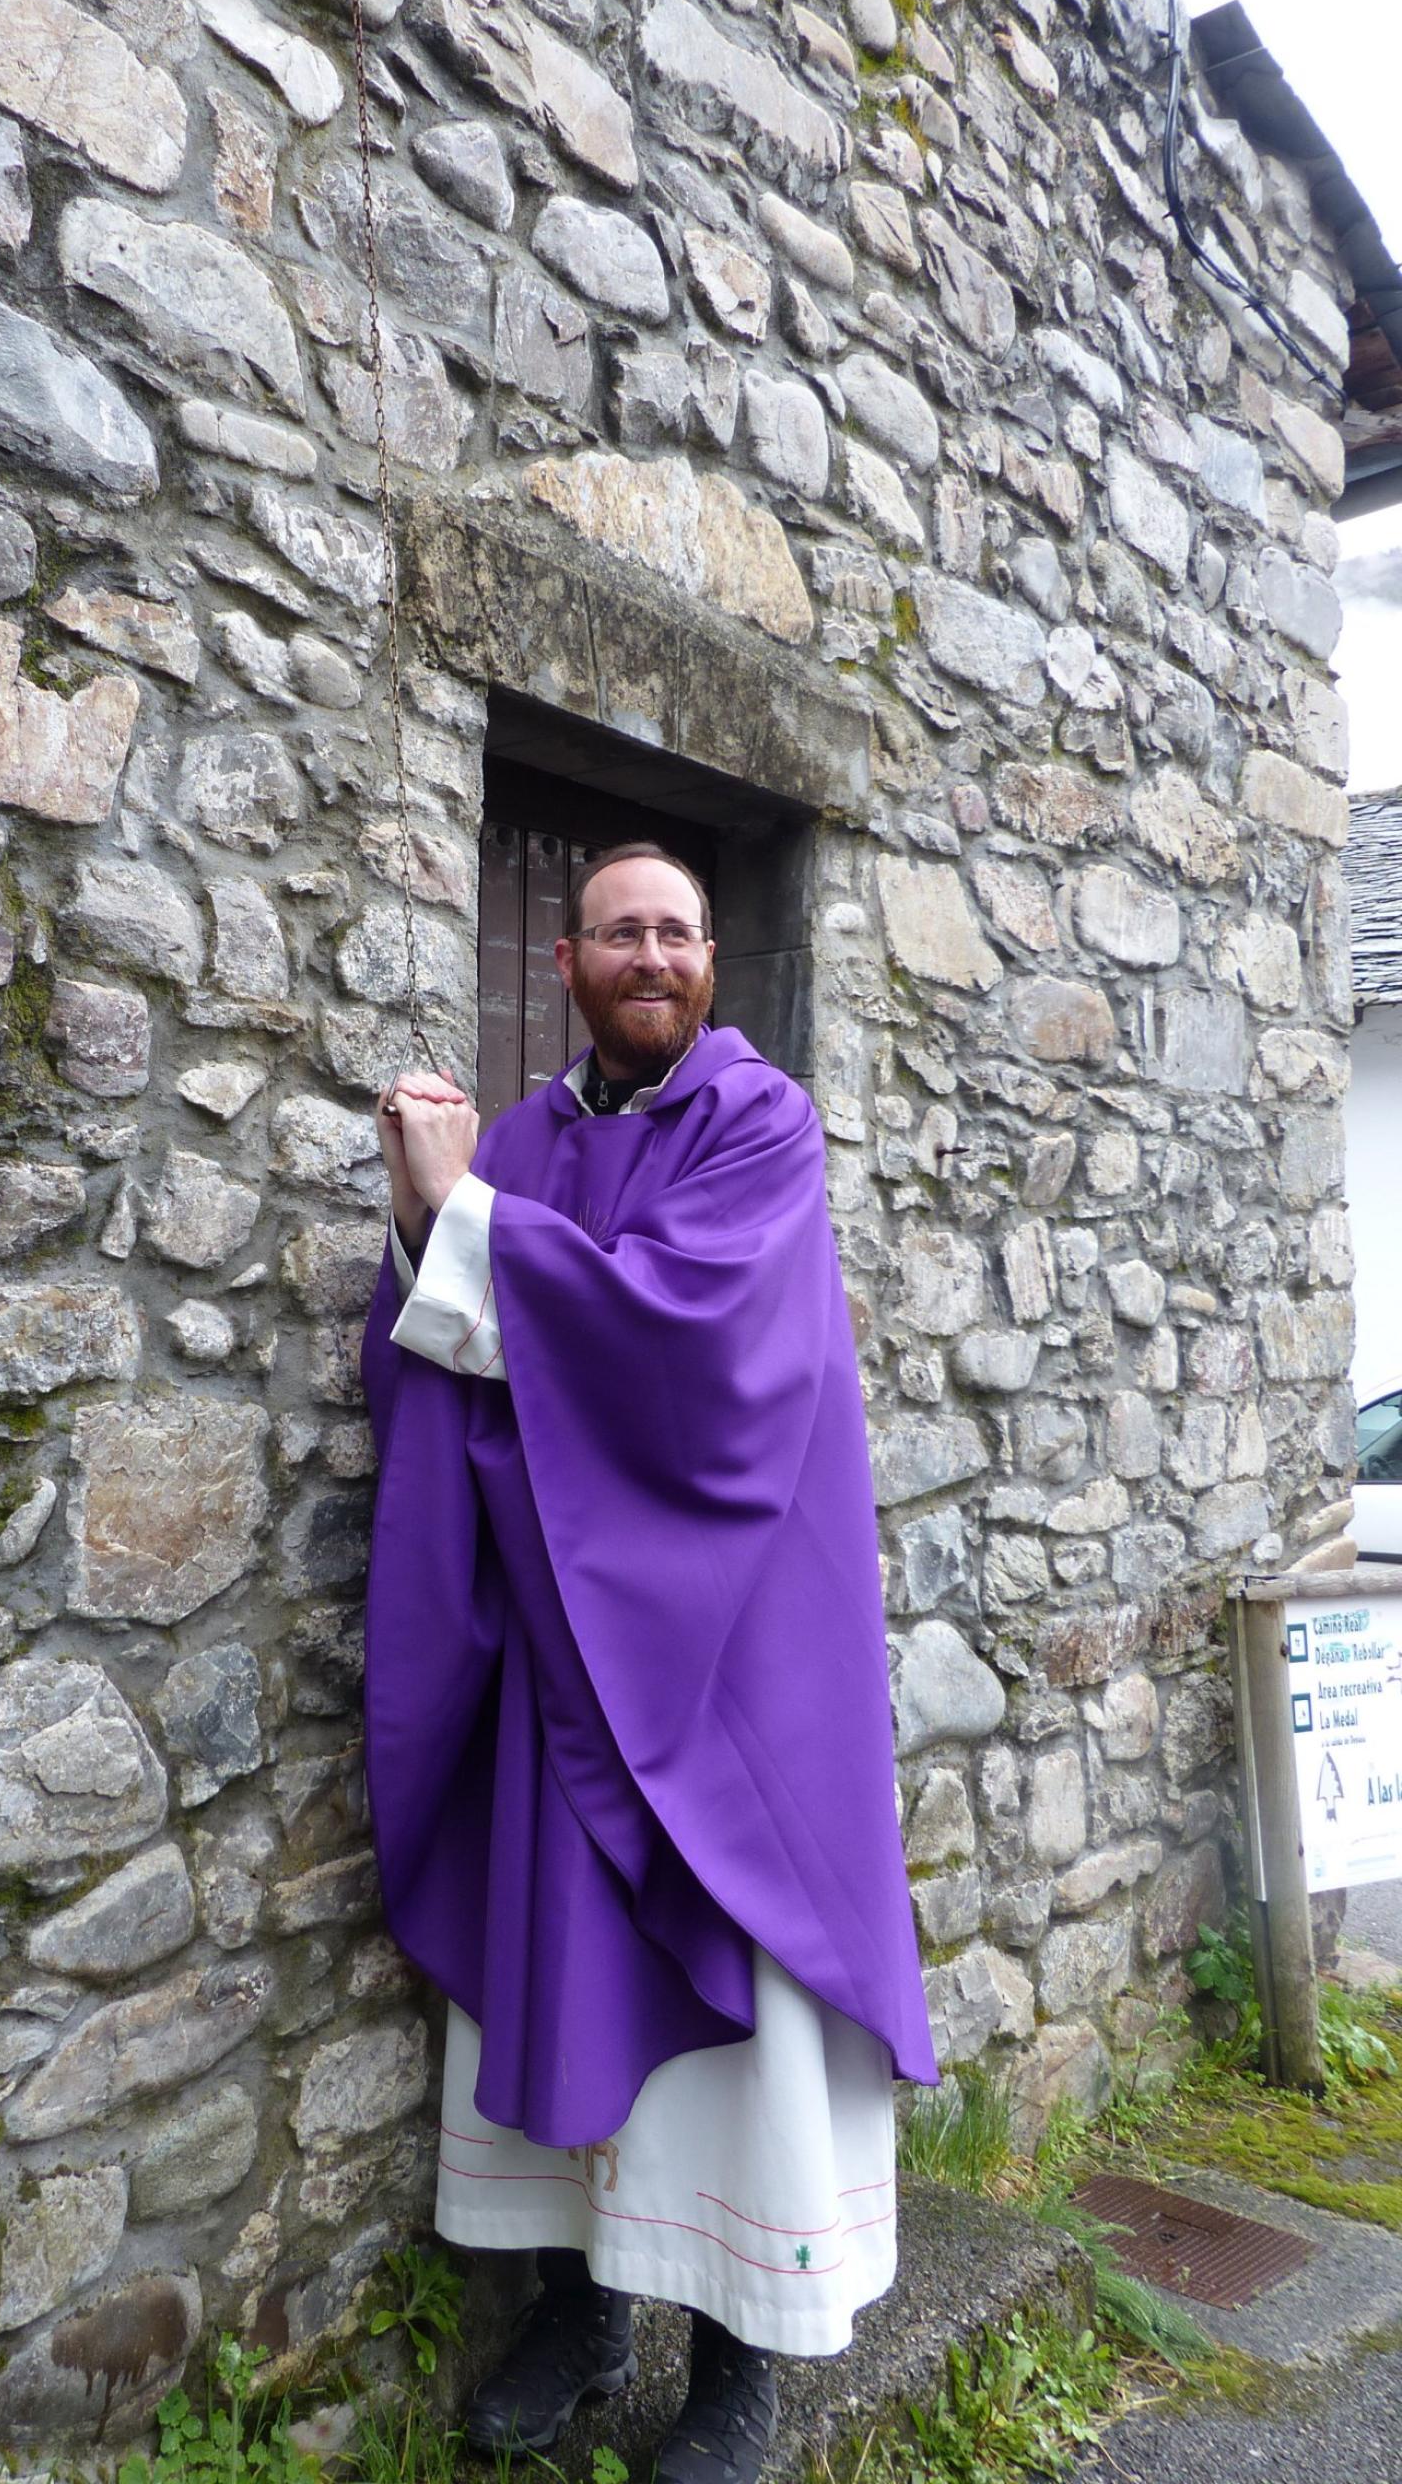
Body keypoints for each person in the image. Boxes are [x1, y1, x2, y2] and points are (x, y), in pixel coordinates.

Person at [361, 842, 937, 2484]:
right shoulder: (527, 1143)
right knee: (556, 1967)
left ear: (710, 960)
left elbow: (690, 1350)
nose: (653, 955)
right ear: (566, 963)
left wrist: (459, 1218)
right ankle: (582, 2313)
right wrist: (425, 1231)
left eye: (679, 931)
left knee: (739, 1999)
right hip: (559, 1649)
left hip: (723, 1663)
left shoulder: (760, 1125)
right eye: (621, 931)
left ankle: (739, 2368)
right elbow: (443, 1357)